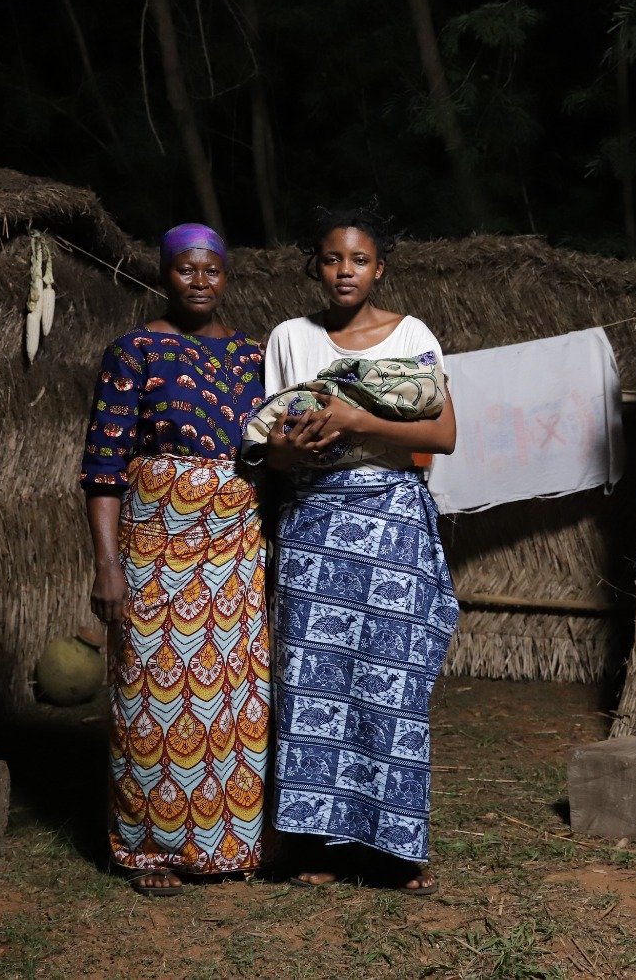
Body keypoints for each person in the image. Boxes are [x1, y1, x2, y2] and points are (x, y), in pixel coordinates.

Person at [263, 207, 460, 894]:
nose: (344, 271)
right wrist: (294, 447)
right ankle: (317, 843)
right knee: (313, 683)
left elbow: (442, 436)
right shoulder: (290, 337)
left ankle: (394, 852)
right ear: (315, 266)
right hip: (314, 523)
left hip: (392, 522)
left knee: (392, 684)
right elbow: (271, 452)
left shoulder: (411, 336)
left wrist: (352, 418)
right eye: (331, 259)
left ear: (380, 268)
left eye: (359, 260)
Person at [79, 223, 269, 897]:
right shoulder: (134, 352)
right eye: (185, 269)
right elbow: (103, 470)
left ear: (226, 276)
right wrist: (108, 566)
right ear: (165, 274)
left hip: (237, 547)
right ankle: (150, 850)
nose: (198, 280)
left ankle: (229, 845)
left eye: (211, 270)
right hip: (155, 546)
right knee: (151, 691)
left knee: (236, 695)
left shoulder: (254, 357)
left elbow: (270, 449)